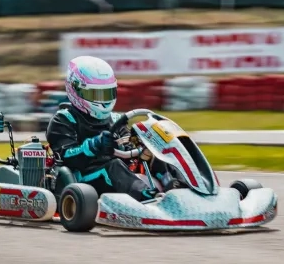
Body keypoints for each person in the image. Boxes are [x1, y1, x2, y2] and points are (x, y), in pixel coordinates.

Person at [45, 55, 186, 201]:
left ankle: (177, 188)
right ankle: (148, 198)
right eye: (95, 94)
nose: (103, 101)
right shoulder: (63, 120)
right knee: (114, 165)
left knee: (157, 153)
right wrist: (94, 145)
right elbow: (66, 156)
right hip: (83, 178)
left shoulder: (116, 120)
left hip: (121, 174)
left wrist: (139, 146)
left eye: (106, 93)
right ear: (76, 89)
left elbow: (128, 147)